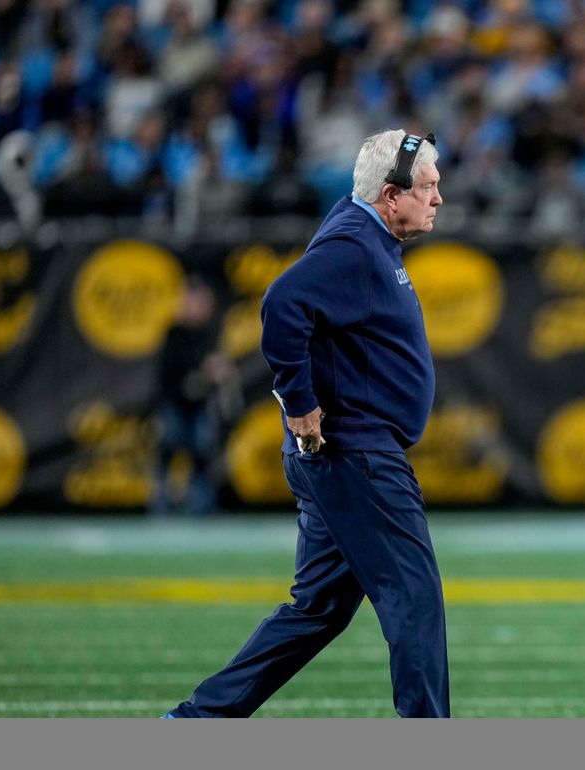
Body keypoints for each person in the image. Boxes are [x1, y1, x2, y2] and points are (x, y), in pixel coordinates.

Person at [164, 129, 449, 718]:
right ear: (391, 196)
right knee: (415, 600)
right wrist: (299, 403)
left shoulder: (361, 228)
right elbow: (281, 303)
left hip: (343, 455)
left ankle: (198, 720)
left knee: (317, 609)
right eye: (428, 187)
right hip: (358, 455)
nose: (438, 198)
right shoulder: (355, 244)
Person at [150, 274, 237, 516]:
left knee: (202, 457)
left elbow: (218, 368)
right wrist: (203, 370)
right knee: (166, 456)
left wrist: (219, 372)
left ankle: (201, 511)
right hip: (174, 406)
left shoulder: (210, 333)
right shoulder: (174, 332)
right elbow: (172, 371)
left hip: (199, 407)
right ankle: (160, 509)